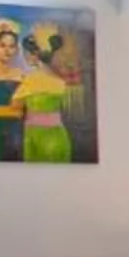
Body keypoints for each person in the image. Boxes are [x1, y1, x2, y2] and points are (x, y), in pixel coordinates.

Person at [19, 22, 81, 163]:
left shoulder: (32, 79)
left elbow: (14, 105)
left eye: (26, 53)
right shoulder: (60, 79)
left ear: (33, 55)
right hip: (58, 135)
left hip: (37, 136)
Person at [0, 17, 29, 160]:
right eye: (2, 45)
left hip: (16, 129)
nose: (8, 50)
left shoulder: (20, 74)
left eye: (12, 46)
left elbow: (26, 107)